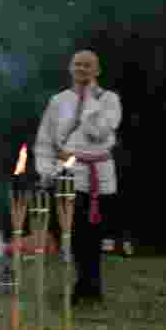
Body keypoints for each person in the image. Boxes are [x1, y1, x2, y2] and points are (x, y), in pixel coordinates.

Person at [34, 50, 121, 307]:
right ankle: (84, 284)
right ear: (70, 68)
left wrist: (89, 102)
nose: (82, 69)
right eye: (77, 64)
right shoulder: (58, 101)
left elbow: (99, 132)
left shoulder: (110, 100)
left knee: (92, 235)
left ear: (97, 70)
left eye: (88, 65)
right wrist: (46, 170)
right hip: (67, 172)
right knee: (70, 232)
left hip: (99, 176)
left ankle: (89, 287)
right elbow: (45, 139)